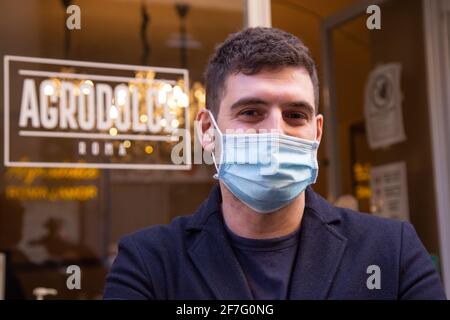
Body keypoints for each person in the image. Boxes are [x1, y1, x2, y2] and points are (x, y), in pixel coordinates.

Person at [104, 27, 446, 300]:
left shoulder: (391, 250)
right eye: (251, 112)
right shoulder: (148, 263)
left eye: (295, 115)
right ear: (208, 131)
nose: (274, 131)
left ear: (316, 132)